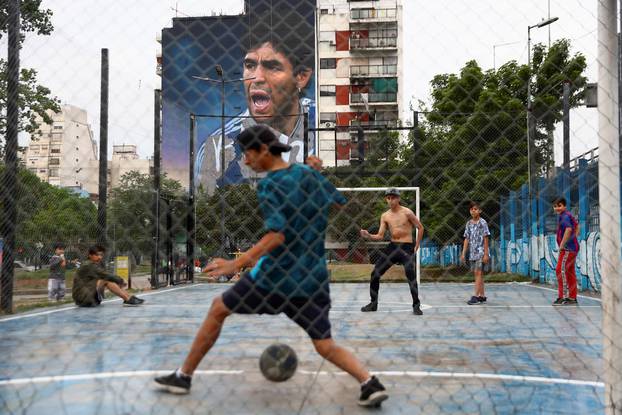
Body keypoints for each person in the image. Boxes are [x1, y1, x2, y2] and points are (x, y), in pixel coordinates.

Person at [155, 125, 388, 407]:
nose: (245, 160)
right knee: (324, 344)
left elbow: (277, 235)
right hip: (311, 279)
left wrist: (236, 263)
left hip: (274, 278)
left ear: (263, 150)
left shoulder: (269, 184)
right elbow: (339, 202)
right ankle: (369, 382)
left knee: (218, 309)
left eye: (246, 154)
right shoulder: (305, 174)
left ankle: (183, 376)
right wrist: (315, 176)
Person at [196, 36, 316, 193]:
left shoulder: (322, 123)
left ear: (301, 77)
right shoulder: (217, 148)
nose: (257, 78)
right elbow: (204, 204)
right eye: (250, 65)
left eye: (273, 67)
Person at [359, 189, 424, 315]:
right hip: (393, 246)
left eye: (393, 197)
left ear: (398, 198)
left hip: (406, 247)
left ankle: (416, 305)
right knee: (375, 273)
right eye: (388, 198)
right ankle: (373, 303)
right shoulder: (385, 215)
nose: (390, 200)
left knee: (410, 273)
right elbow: (380, 236)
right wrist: (368, 235)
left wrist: (417, 245)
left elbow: (420, 227)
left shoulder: (407, 212)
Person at [72, 245, 144, 307]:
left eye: (101, 255)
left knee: (106, 279)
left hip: (86, 297)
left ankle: (128, 297)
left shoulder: (92, 264)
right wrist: (120, 280)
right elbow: (106, 275)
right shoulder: (88, 265)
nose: (100, 257)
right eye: (97, 255)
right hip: (83, 299)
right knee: (107, 279)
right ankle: (127, 299)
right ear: (90, 255)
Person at [461, 202, 491, 305]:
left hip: (481, 252)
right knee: (479, 274)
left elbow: (486, 237)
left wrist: (486, 254)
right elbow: (466, 238)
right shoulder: (469, 224)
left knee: (478, 273)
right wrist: (463, 253)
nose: (473, 211)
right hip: (473, 253)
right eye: (471, 209)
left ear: (480, 211)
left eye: (475, 209)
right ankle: (482, 296)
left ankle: (475, 297)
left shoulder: (483, 222)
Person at [552, 197, 580, 306]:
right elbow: (577, 227)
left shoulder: (564, 216)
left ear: (565, 206)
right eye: (555, 206)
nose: (557, 208)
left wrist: (562, 245)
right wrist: (574, 239)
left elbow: (569, 229)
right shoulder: (567, 215)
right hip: (572, 248)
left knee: (560, 270)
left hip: (567, 249)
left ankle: (562, 297)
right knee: (569, 272)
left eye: (559, 205)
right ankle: (572, 298)